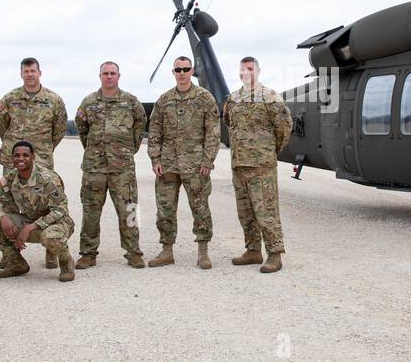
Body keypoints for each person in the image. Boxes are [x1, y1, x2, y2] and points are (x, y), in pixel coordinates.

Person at [147, 56, 220, 269]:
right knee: (165, 209)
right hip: (167, 165)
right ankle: (167, 250)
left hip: (196, 165)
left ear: (192, 71)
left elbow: (213, 132)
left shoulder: (205, 98)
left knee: (200, 208)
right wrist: (155, 158)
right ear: (173, 72)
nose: (182, 73)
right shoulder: (164, 100)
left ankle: (203, 251)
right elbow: (154, 131)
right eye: (178, 69)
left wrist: (208, 159)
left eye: (186, 69)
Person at [73, 61, 148, 269]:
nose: (109, 77)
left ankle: (134, 252)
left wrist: (126, 151)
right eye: (105, 73)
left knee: (130, 210)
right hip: (94, 167)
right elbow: (82, 129)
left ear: (118, 76)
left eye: (112, 73)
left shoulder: (131, 102)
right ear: (100, 76)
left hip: (122, 168)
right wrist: (94, 149)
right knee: (90, 211)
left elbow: (140, 126)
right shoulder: (88, 102)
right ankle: (88, 253)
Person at [0, 56, 68, 270]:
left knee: (46, 205)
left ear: (39, 73)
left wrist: (44, 149)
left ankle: (51, 251)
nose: (30, 74)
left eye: (33, 71)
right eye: (26, 71)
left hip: (42, 160)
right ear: (21, 74)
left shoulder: (53, 100)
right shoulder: (9, 99)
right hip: (15, 161)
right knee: (9, 204)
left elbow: (60, 128)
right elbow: (2, 125)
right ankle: (11, 253)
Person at [223, 56, 291, 274]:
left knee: (266, 210)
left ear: (258, 71)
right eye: (242, 69)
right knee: (245, 211)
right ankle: (253, 250)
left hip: (262, 165)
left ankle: (274, 253)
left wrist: (268, 151)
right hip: (239, 163)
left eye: (250, 69)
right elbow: (228, 123)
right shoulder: (232, 99)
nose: (246, 73)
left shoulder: (270, 97)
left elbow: (284, 127)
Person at [0, 141, 76, 282]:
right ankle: (17, 263)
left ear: (33, 157)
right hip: (29, 220)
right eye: (17, 155)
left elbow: (61, 209)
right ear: (12, 158)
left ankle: (66, 263)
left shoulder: (47, 179)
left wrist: (31, 227)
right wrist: (3, 218)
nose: (21, 159)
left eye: (25, 155)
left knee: (51, 237)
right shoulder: (10, 178)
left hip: (56, 223)